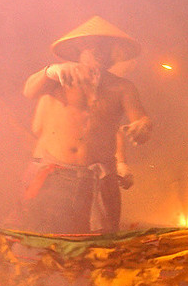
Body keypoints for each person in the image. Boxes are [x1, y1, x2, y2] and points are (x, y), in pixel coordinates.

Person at [17, 16, 152, 234]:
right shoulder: (59, 76)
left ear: (113, 53)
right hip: (55, 177)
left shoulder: (123, 87)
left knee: (99, 250)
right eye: (92, 46)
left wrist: (143, 128)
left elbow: (139, 123)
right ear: (79, 48)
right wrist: (49, 71)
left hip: (99, 180)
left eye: (104, 47)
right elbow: (29, 91)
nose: (99, 52)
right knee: (50, 247)